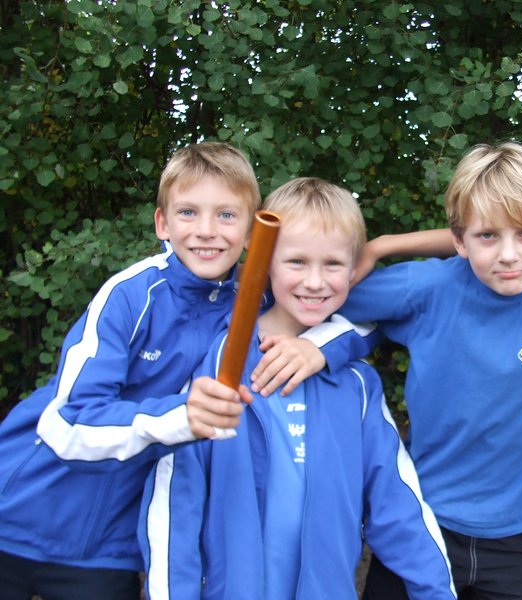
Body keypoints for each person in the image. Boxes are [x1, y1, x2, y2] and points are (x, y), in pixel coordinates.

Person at [0, 143, 335, 599]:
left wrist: (319, 348)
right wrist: (182, 416)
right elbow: (67, 426)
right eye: (188, 213)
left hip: (108, 549)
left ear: (252, 231)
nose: (206, 231)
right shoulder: (130, 294)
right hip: (18, 513)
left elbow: (351, 302)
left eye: (226, 215)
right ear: (162, 223)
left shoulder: (260, 295)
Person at [299, 143, 522, 600]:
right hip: (422, 519)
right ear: (459, 240)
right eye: (487, 236)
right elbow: (320, 298)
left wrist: (388, 243)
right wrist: (306, 344)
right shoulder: (427, 288)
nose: (509, 255)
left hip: (520, 534)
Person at [138, 177, 457, 599]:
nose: (315, 282)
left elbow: (398, 506)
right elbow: (176, 504)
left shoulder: (357, 386)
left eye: (333, 264)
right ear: (265, 261)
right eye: (297, 262)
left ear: (354, 270)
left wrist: (436, 592)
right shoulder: (217, 364)